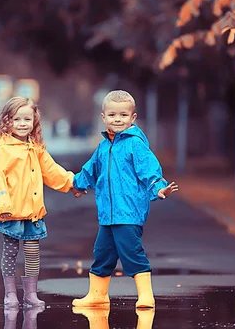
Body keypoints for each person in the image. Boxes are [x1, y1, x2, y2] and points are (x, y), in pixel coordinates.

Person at [71, 90, 178, 309]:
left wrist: (159, 189)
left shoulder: (135, 144)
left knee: (131, 252)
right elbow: (90, 170)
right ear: (103, 118)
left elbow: (150, 170)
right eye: (112, 115)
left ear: (133, 118)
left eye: (122, 115)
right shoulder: (103, 146)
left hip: (129, 212)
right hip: (107, 214)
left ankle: (146, 295)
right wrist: (76, 184)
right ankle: (97, 295)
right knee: (102, 253)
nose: (117, 119)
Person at [0, 96, 81, 309]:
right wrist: (2, 207)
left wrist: (72, 183)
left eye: (27, 119)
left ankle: (31, 294)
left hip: (33, 213)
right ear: (7, 121)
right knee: (10, 252)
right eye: (17, 119)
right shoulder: (4, 150)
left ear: (34, 121)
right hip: (11, 213)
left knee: (32, 253)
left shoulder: (36, 148)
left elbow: (52, 170)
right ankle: (10, 294)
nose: (22, 124)